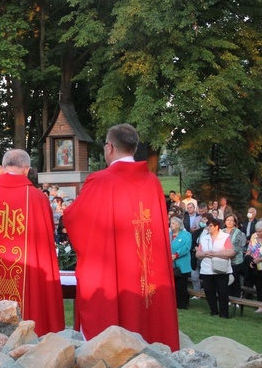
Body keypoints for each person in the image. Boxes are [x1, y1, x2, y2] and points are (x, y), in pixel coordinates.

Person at [64, 124, 179, 350]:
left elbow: (74, 218)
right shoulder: (153, 183)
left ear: (109, 147)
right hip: (146, 269)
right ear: (134, 148)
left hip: (115, 270)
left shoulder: (101, 180)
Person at [0, 149, 65, 336]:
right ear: (27, 170)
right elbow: (46, 242)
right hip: (28, 276)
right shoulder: (38, 199)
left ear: (1, 169)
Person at [196, 216, 235, 318]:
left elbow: (231, 252)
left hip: (221, 269)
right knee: (209, 291)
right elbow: (198, 253)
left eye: (211, 226)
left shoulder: (225, 237)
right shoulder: (204, 238)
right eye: (208, 226)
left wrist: (216, 254)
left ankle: (224, 314)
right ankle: (213, 311)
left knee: (222, 292)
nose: (208, 228)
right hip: (206, 269)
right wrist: (204, 254)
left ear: (217, 227)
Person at [169, 216, 192, 310]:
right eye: (171, 223)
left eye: (173, 223)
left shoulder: (186, 235)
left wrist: (176, 255)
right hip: (170, 264)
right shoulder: (168, 234)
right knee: (172, 286)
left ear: (179, 225)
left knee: (181, 286)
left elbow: (186, 247)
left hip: (182, 264)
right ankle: (173, 304)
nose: (171, 225)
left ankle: (182, 304)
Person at [223, 214, 246, 300]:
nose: (229, 222)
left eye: (231, 220)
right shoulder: (221, 231)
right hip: (224, 259)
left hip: (235, 260)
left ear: (235, 222)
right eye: (227, 220)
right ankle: (228, 298)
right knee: (226, 280)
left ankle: (236, 299)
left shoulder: (238, 233)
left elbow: (237, 247)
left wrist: (227, 254)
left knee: (235, 280)